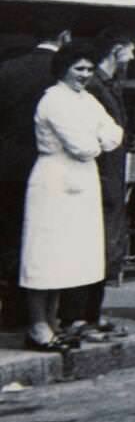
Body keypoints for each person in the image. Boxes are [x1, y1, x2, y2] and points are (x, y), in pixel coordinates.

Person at [19, 42, 123, 352]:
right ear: (63, 68)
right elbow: (82, 147)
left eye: (90, 69)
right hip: (54, 181)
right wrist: (97, 139)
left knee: (67, 256)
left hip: (84, 181)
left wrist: (97, 139)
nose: (85, 75)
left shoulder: (87, 100)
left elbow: (115, 133)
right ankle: (38, 325)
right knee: (44, 254)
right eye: (79, 68)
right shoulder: (53, 100)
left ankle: (52, 323)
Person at [58, 28, 135, 342]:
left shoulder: (108, 85)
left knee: (105, 248)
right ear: (116, 49)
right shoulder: (95, 87)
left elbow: (114, 133)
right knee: (90, 246)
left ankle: (91, 313)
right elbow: (99, 135)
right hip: (97, 176)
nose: (133, 56)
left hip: (109, 175)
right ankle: (76, 316)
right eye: (130, 49)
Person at [0, 17, 71, 329]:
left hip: (8, 165)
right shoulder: (62, 73)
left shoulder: (8, 68)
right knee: (45, 241)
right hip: (51, 165)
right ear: (64, 36)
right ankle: (40, 316)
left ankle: (10, 311)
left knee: (11, 237)